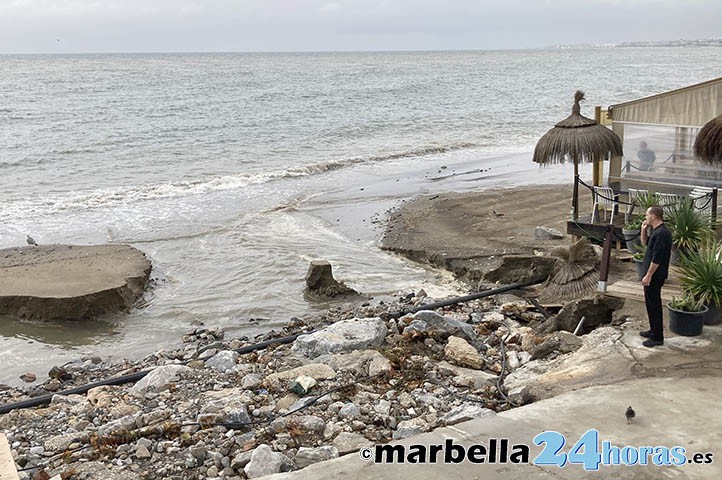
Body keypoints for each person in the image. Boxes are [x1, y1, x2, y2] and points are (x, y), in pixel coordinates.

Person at [639, 205, 672, 347]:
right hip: (652, 275)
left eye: (647, 214)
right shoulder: (656, 232)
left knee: (654, 305)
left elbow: (657, 258)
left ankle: (657, 337)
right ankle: (653, 330)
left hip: (655, 276)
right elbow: (646, 244)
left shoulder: (662, 234)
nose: (645, 217)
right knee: (650, 303)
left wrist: (648, 275)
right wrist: (643, 230)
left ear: (653, 216)